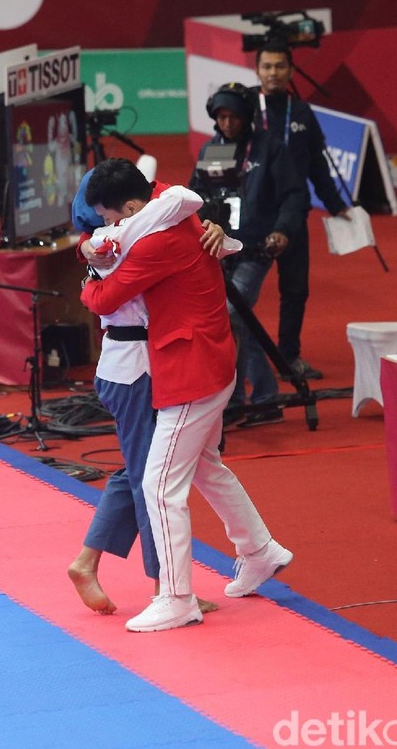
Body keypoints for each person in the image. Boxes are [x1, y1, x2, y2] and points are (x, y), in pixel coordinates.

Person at [81, 158, 293, 633]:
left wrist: (90, 276)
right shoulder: (170, 207)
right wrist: (92, 246)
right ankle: (260, 551)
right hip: (207, 360)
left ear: (131, 208)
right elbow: (156, 202)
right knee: (204, 467)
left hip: (192, 370)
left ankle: (176, 597)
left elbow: (105, 298)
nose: (108, 227)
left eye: (111, 218)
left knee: (158, 485)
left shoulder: (155, 241)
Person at [68, 167, 231, 615]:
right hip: (133, 371)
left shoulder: (127, 231)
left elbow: (171, 198)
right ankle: (167, 586)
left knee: (137, 471)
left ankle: (86, 562)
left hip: (140, 365)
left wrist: (212, 228)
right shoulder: (115, 243)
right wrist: (88, 269)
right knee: (150, 481)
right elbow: (176, 199)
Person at [190, 82, 306, 424]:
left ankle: (243, 399)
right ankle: (258, 400)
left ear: (247, 116)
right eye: (221, 117)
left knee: (232, 315)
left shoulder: (270, 149)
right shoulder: (211, 149)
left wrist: (282, 230)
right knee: (239, 319)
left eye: (234, 117)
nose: (227, 123)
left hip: (255, 249)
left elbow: (294, 195)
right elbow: (195, 196)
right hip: (218, 249)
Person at [254, 39, 351, 380]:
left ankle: (289, 357)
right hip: (254, 214)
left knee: (295, 289)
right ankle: (236, 361)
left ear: (291, 70)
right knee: (241, 292)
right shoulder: (246, 108)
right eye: (267, 66)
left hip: (293, 213)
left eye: (280, 66)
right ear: (257, 70)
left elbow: (317, 166)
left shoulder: (301, 112)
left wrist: (336, 205)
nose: (274, 73)